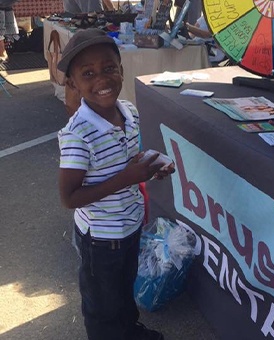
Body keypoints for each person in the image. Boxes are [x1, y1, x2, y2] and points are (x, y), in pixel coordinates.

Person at [57, 28, 174, 340]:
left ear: (121, 70)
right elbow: (69, 197)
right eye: (88, 73)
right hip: (101, 239)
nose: (102, 79)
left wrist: (154, 163)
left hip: (130, 223)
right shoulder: (77, 134)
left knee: (124, 289)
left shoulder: (129, 113)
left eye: (109, 68)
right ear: (72, 83)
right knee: (101, 307)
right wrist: (125, 179)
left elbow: (129, 156)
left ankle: (129, 330)